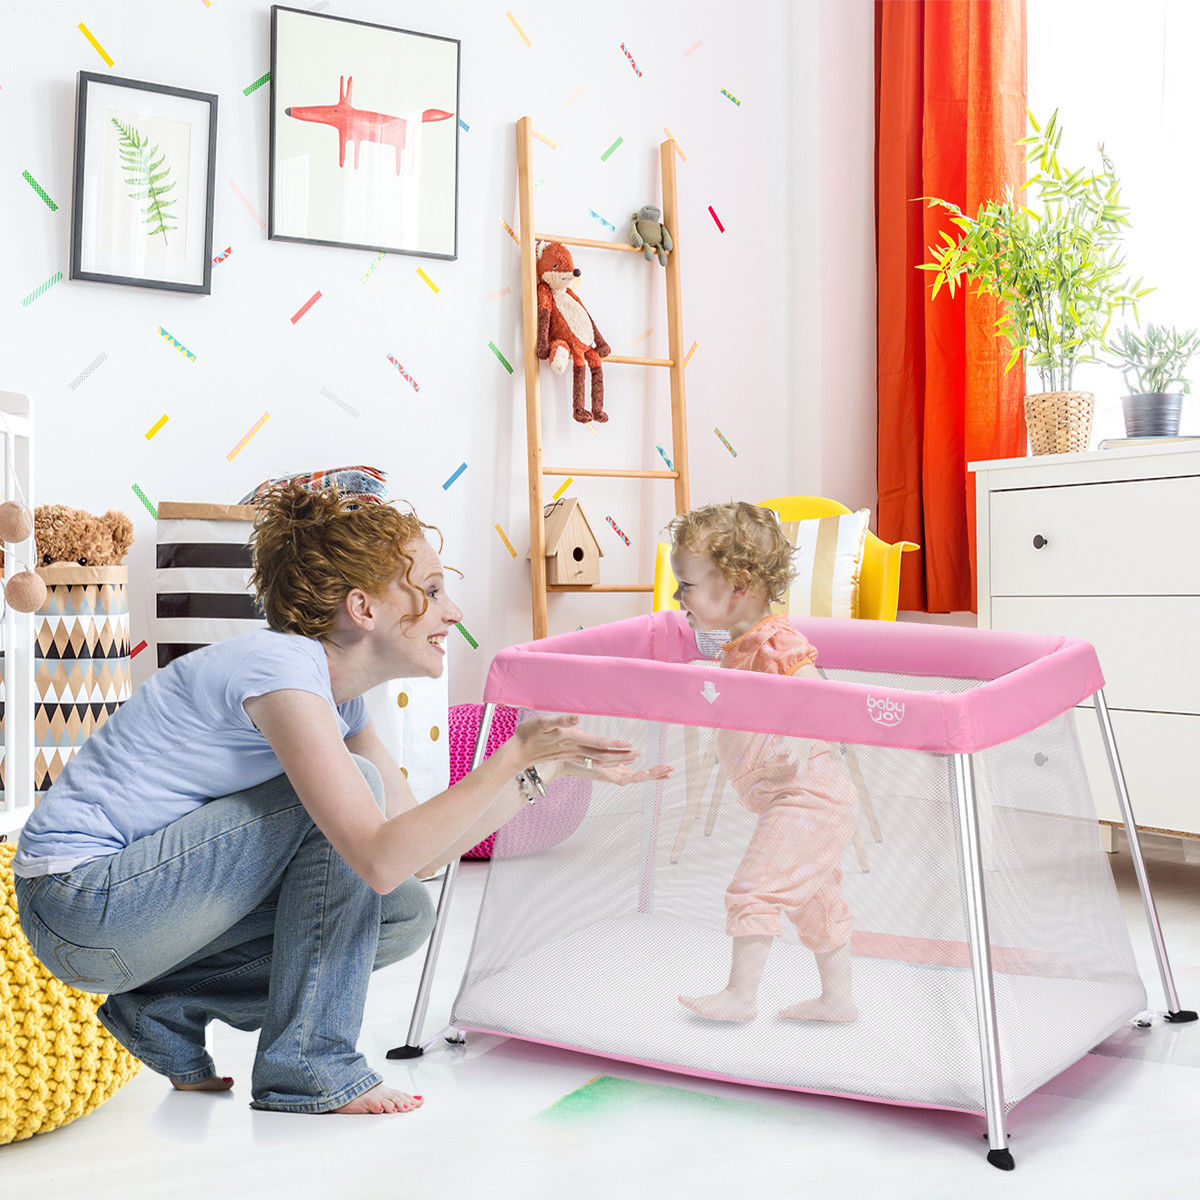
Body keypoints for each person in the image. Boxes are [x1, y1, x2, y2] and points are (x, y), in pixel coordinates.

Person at [13, 483, 668, 1115]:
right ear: (363, 609)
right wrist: (509, 757)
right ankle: (310, 1065)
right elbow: (379, 853)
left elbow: (420, 857)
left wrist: (538, 773)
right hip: (79, 901)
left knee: (403, 914)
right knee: (362, 799)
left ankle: (161, 1007)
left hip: (130, 920)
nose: (454, 613)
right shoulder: (282, 668)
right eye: (434, 591)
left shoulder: (338, 698)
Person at [668, 502, 858, 1024]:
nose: (678, 596)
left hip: (808, 795)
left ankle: (740, 996)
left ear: (738, 585)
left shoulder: (776, 641)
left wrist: (803, 739)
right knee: (817, 900)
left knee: (755, 888)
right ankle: (837, 999)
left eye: (687, 584)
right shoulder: (739, 641)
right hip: (801, 797)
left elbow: (816, 692)